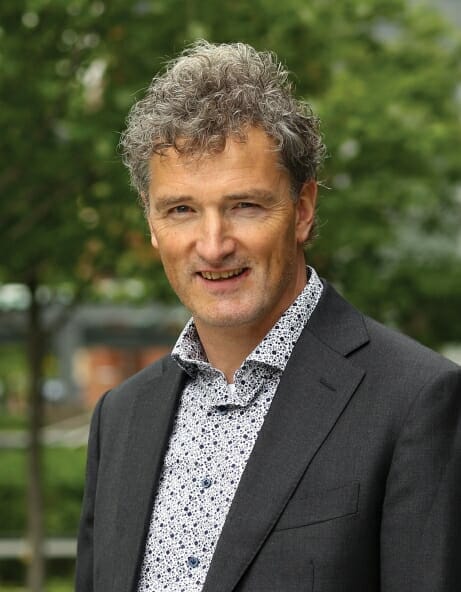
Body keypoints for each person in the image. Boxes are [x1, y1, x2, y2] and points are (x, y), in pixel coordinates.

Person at [75, 41, 461, 592]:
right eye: (182, 210)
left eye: (244, 206)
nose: (213, 245)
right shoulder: (120, 416)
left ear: (302, 211)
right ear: (152, 224)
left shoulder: (416, 402)